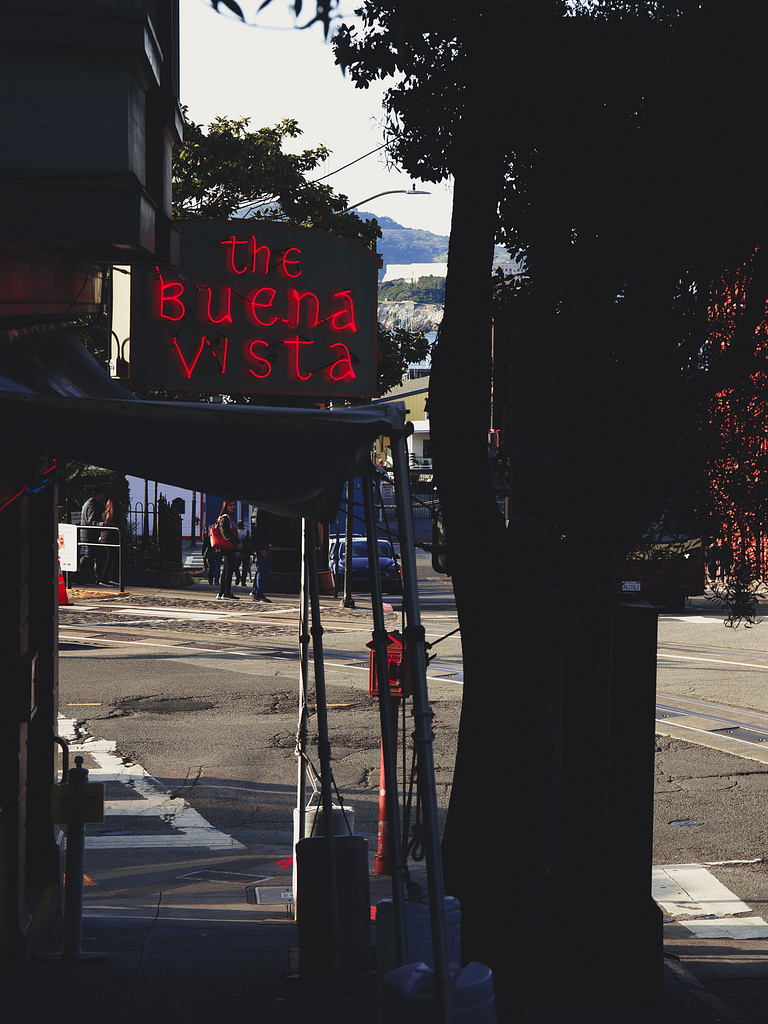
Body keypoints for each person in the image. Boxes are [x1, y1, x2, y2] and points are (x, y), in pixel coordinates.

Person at [216, 499, 241, 601]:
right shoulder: (225, 518)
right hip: (228, 547)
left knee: (226, 569)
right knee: (228, 570)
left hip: (229, 547)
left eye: (234, 505)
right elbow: (226, 534)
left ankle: (222, 592)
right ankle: (226, 593)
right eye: (230, 505)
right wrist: (236, 541)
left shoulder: (228, 518)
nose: (233, 507)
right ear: (226, 507)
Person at [80, 486, 106, 583]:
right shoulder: (92, 504)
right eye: (102, 495)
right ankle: (77, 574)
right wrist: (102, 524)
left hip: (90, 534)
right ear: (99, 495)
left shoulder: (90, 503)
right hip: (90, 535)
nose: (103, 497)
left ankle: (98, 577)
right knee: (89, 556)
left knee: (98, 555)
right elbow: (91, 521)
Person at [100, 497, 122, 586]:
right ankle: (105, 579)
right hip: (112, 538)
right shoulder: (116, 515)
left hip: (105, 538)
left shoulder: (104, 514)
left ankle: (111, 578)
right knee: (112, 559)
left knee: (111, 558)